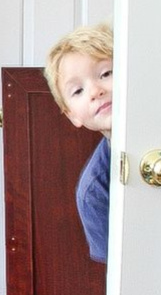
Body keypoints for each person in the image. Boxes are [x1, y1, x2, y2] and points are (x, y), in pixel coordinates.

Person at [44, 22, 113, 263]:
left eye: (106, 74)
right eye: (78, 91)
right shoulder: (94, 191)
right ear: (72, 115)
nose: (95, 90)